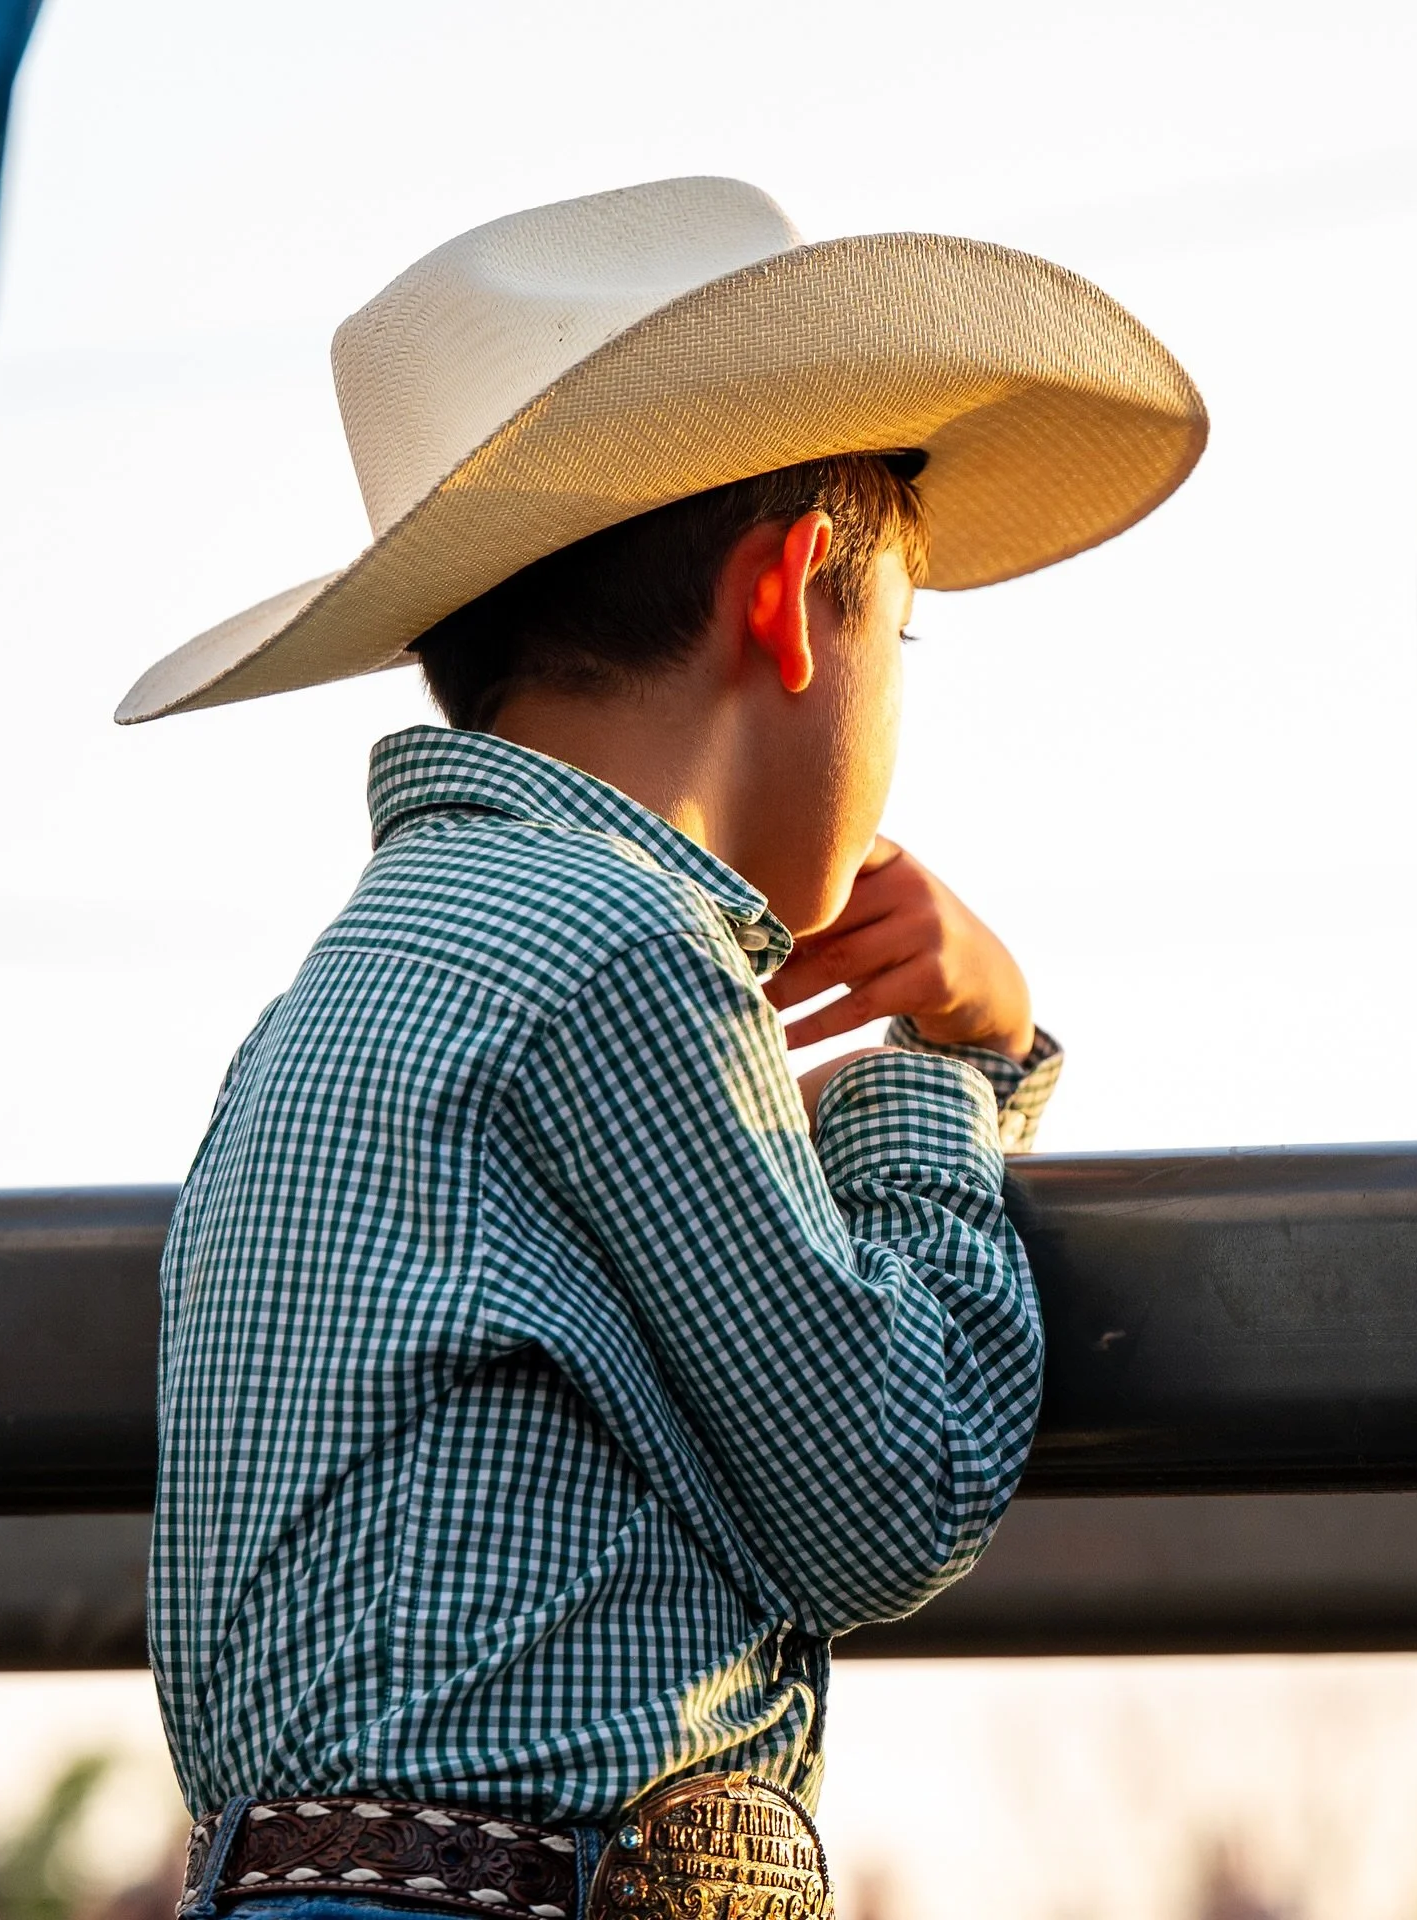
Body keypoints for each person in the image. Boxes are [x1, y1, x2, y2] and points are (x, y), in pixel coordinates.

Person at [121, 178, 1205, 1920]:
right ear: (792, 599)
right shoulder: (628, 955)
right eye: (900, 629)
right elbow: (885, 1487)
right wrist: (948, 1072)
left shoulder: (334, 997)